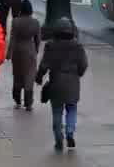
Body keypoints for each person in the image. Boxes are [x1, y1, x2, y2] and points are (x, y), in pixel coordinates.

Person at [36, 17, 88, 152]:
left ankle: (59, 137)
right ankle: (70, 131)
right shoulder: (77, 45)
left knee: (57, 111)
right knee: (71, 108)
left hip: (56, 82)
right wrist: (79, 73)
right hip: (72, 82)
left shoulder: (51, 45)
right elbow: (83, 64)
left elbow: (44, 65)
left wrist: (39, 77)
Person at [8, 0, 42, 110]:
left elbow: (12, 38)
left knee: (17, 76)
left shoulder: (16, 21)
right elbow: (38, 39)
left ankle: (17, 100)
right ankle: (28, 103)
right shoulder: (36, 23)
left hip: (18, 51)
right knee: (29, 77)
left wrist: (9, 53)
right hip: (30, 50)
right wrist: (36, 49)